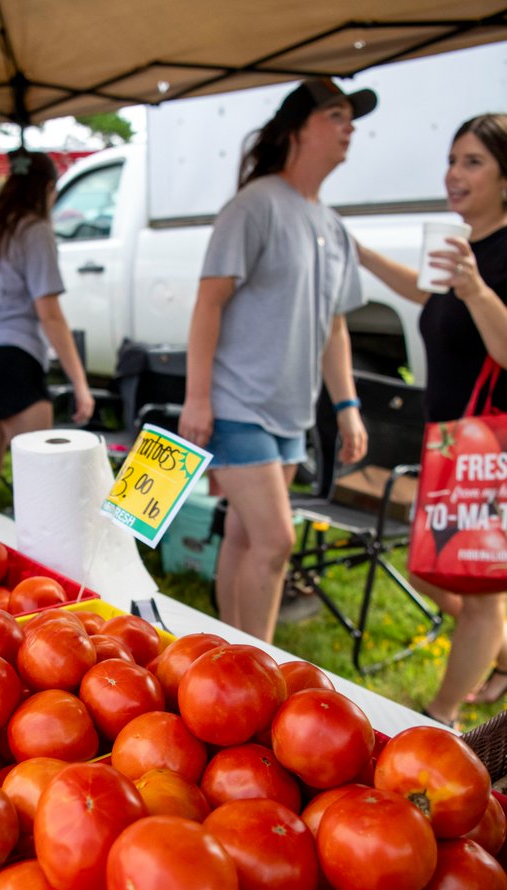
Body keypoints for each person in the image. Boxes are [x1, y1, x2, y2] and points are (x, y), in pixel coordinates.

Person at [178, 77, 375, 643]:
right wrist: (197, 398)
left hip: (291, 413)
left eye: (351, 118)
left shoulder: (333, 225)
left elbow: (335, 325)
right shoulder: (254, 205)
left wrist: (347, 406)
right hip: (237, 404)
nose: (349, 128)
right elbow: (208, 303)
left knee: (246, 536)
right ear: (297, 130)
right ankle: (259, 669)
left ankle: (225, 659)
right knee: (276, 541)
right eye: (335, 115)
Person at [356, 113, 507, 726]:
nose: (454, 174)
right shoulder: (466, 247)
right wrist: (364, 256)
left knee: (482, 588)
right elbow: (429, 295)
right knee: (432, 567)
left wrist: (474, 289)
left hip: (491, 449)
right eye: (451, 160)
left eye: (472, 162)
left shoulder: (498, 256)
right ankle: (498, 653)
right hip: (451, 444)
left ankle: (439, 718)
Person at [0, 148, 95, 501]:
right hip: (10, 355)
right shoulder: (33, 230)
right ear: (47, 189)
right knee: (41, 477)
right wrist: (80, 384)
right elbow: (50, 314)